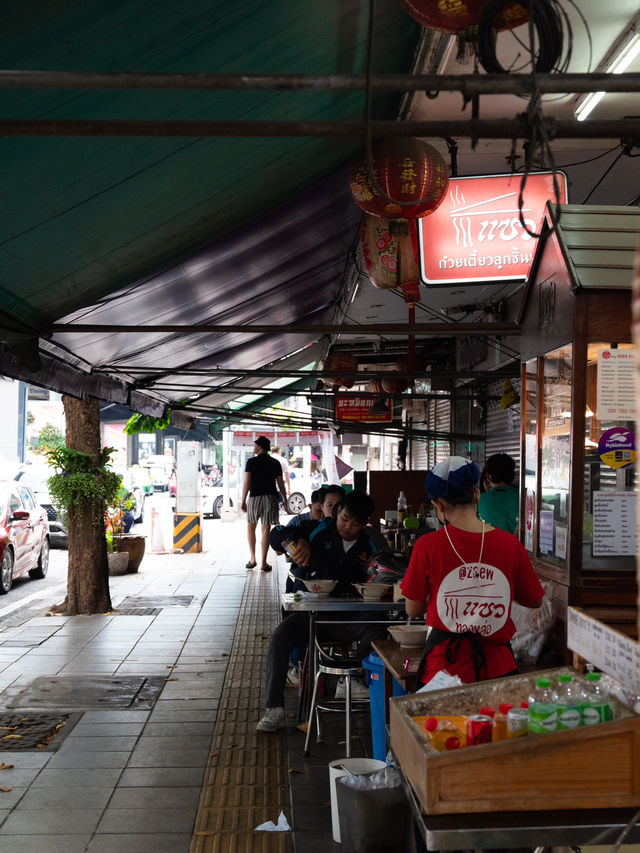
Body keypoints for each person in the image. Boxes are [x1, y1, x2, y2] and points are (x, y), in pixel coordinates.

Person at [401, 457, 545, 688]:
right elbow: (535, 600)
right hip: (498, 667)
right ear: (477, 495)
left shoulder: (427, 546)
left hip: (444, 671)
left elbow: (413, 608)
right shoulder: (510, 544)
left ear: (438, 505)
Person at [256, 490, 387, 733]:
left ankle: (354, 679)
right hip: (312, 616)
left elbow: (385, 568)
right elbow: (276, 535)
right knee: (280, 636)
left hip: (351, 620)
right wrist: (296, 543)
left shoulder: (370, 543)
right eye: (345, 518)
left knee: (380, 627)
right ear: (338, 511)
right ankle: (273, 708)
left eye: (355, 523)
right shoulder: (315, 529)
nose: (347, 526)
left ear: (365, 524)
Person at [241, 436, 288, 572]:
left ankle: (253, 559)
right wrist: (284, 497)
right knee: (265, 529)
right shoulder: (275, 463)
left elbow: (247, 483)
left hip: (255, 497)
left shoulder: (251, 462)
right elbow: (280, 483)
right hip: (270, 498)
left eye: (255, 445)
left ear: (260, 447)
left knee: (251, 527)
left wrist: (243, 500)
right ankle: (264, 563)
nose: (253, 447)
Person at [477, 453, 520, 534]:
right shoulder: (523, 498)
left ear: (488, 476)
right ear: (512, 475)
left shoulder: (479, 500)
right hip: (517, 546)